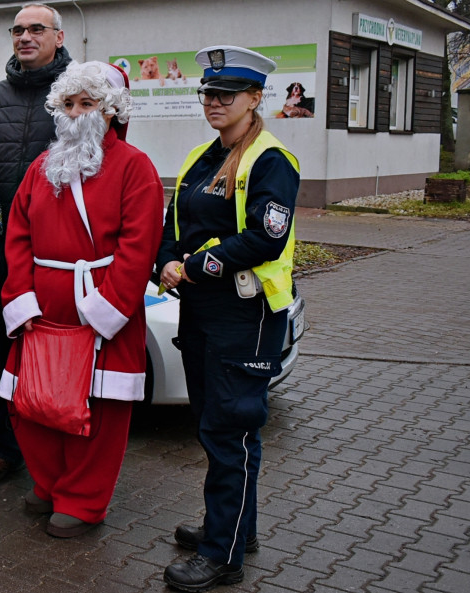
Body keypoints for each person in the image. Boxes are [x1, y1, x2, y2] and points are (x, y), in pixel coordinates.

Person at [0, 61, 164, 537]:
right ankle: (51, 485)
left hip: (98, 312)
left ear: (110, 111)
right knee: (31, 405)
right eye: (68, 104)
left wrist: (104, 310)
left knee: (98, 412)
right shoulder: (41, 166)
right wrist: (21, 299)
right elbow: (18, 236)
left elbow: (138, 248)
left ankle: (83, 501)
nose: (75, 113)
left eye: (86, 104)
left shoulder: (136, 168)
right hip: (42, 311)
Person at [157, 46, 299, 592]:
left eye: (227, 94)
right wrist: (166, 257)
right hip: (202, 310)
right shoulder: (202, 155)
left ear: (255, 98)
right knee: (220, 428)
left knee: (229, 431)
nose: (214, 102)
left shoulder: (270, 160)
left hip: (245, 314)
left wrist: (192, 266)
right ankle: (235, 526)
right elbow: (176, 217)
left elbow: (267, 236)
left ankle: (223, 555)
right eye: (208, 93)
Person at [0, 1, 72, 484]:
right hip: (1, 256)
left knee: (57, 356)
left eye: (36, 29)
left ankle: (58, 454)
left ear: (58, 37)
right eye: (17, 30)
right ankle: (6, 450)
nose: (25, 37)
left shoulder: (77, 96)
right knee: (4, 356)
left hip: (60, 259)